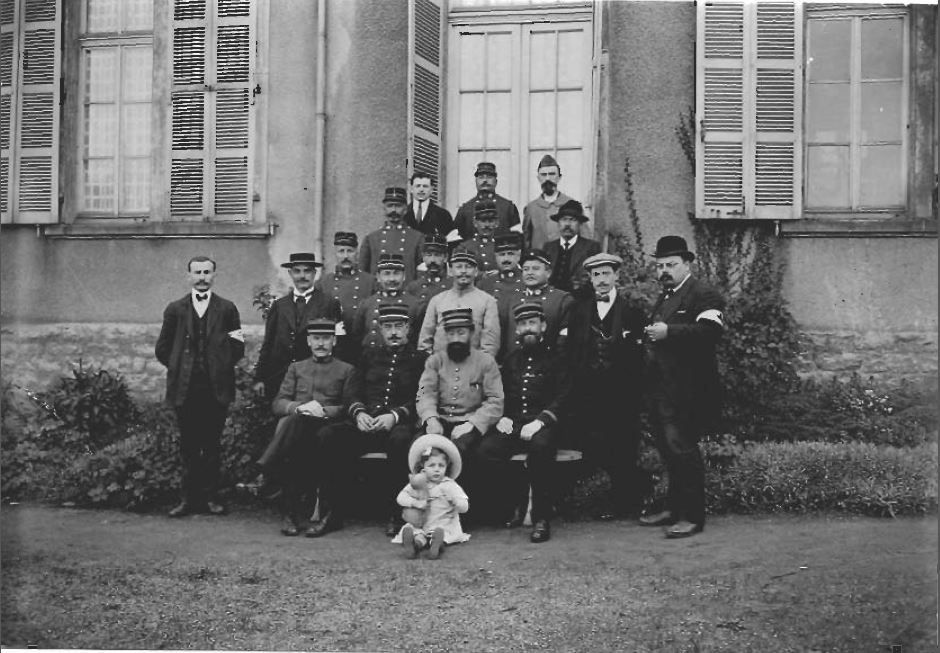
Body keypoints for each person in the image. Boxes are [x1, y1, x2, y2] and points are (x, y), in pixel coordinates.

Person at [639, 236, 725, 539]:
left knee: (683, 450)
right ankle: (673, 509)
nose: (664, 270)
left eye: (671, 265)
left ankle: (692, 517)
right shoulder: (666, 295)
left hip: (688, 390)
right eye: (660, 265)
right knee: (668, 451)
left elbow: (711, 332)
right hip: (662, 389)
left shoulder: (703, 294)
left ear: (687, 264)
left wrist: (668, 332)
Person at [155, 256, 245, 517]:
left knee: (213, 445)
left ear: (214, 275)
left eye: (207, 272)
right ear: (189, 276)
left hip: (216, 388)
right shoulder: (175, 309)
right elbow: (162, 348)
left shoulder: (227, 309)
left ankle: (212, 498)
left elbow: (238, 346)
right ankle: (188, 499)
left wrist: (220, 366)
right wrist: (180, 368)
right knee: (189, 445)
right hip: (185, 389)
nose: (202, 277)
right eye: (197, 272)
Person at [478, 302, 572, 543]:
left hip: (545, 424)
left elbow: (564, 397)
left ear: (543, 325)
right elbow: (502, 394)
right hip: (515, 422)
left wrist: (541, 421)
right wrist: (503, 417)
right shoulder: (512, 359)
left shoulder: (558, 358)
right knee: (486, 451)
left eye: (532, 323)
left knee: (541, 449)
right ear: (517, 329)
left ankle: (541, 517)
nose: (527, 328)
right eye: (522, 324)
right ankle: (515, 503)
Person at [564, 252, 647, 520]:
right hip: (589, 392)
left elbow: (641, 354)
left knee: (623, 445)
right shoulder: (578, 310)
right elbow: (572, 352)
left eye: (606, 273)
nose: (601, 279)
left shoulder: (633, 311)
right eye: (596, 274)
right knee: (594, 444)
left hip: (622, 393)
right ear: (590, 278)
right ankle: (592, 501)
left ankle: (627, 503)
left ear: (616, 276)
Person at [270, 319, 362, 537]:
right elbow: (278, 403)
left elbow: (348, 406)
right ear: (309, 341)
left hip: (328, 428)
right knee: (296, 422)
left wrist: (322, 410)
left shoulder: (346, 370)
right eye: (317, 339)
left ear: (334, 341)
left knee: (304, 431)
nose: (321, 344)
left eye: (326, 339)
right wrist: (300, 407)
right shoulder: (297, 368)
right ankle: (290, 514)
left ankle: (268, 467)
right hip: (300, 427)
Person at [415, 307, 504, 523]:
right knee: (420, 448)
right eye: (451, 333)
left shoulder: (485, 362)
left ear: (472, 333)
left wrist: (472, 424)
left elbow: (495, 401)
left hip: (469, 423)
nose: (456, 338)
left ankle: (460, 513)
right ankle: (421, 510)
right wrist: (431, 418)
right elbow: (425, 393)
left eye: (461, 333)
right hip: (440, 420)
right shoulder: (435, 361)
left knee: (461, 448)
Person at [349, 304, 429, 537]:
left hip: (398, 425)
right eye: (388, 327)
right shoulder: (368, 356)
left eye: (399, 327)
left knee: (401, 441)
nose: (393, 332)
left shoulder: (420, 359)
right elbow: (352, 391)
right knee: (330, 437)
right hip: (366, 424)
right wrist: (359, 413)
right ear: (381, 330)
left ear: (408, 329)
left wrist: (394, 416)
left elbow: (423, 397)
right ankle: (331, 510)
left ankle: (396, 514)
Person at [254, 252, 344, 399]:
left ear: (315, 273)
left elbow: (338, 344)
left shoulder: (329, 304)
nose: (302, 276)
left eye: (307, 271)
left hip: (316, 378)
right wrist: (260, 378)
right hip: (280, 378)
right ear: (290, 273)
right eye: (297, 271)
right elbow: (268, 343)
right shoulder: (279, 306)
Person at [394, 433, 470, 559]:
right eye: (431, 465)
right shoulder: (418, 483)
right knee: (416, 532)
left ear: (447, 467)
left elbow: (464, 506)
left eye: (441, 466)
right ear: (423, 468)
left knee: (440, 533)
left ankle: (436, 545)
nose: (437, 469)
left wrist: (458, 502)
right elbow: (400, 498)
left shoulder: (449, 485)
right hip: (421, 522)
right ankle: (414, 546)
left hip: (442, 523)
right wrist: (415, 503)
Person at [418, 248, 500, 357]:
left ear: (476, 271)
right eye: (459, 266)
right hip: (440, 368)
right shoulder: (437, 301)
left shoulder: (487, 301)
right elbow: (425, 339)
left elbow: (490, 344)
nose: (463, 271)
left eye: (468, 267)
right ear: (451, 271)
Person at [499, 248, 573, 357]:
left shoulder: (563, 299)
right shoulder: (511, 299)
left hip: (548, 364)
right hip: (514, 364)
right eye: (526, 269)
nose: (530, 273)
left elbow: (565, 339)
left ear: (548, 273)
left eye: (535, 268)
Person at [316, 232, 376, 361]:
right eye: (341, 251)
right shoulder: (324, 282)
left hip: (362, 345)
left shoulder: (370, 281)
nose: (345, 256)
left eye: (350, 251)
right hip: (335, 347)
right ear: (335, 254)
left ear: (357, 254)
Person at [353, 253, 422, 352]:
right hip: (372, 362)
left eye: (396, 273)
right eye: (387, 273)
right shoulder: (367, 304)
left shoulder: (415, 305)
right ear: (378, 276)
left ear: (404, 276)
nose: (392, 279)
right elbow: (357, 336)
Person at [359, 187, 424, 283]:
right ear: (384, 209)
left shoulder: (417, 238)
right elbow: (363, 274)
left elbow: (421, 273)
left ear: (405, 209)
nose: (393, 210)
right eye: (390, 206)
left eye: (398, 206)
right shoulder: (371, 238)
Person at [544, 200, 601, 297]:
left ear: (580, 224)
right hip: (551, 298)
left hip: (578, 299)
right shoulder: (548, 248)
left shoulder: (591, 247)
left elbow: (595, 278)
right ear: (558, 223)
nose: (567, 224)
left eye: (572, 220)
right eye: (564, 219)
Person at [453, 161, 522, 240]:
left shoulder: (508, 207)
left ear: (496, 182)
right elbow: (458, 239)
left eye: (489, 177)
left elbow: (516, 238)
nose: (485, 180)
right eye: (481, 177)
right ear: (476, 182)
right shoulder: (465, 209)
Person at [522, 154, 576, 251]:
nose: (547, 179)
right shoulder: (531, 208)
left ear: (559, 177)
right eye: (543, 175)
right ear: (538, 178)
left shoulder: (571, 205)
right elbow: (526, 240)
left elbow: (584, 240)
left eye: (552, 174)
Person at [404, 172, 460, 244]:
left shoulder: (443, 215)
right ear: (411, 189)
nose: (421, 189)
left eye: (425, 186)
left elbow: (451, 241)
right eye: (418, 186)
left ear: (432, 189)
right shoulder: (403, 213)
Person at [405, 233, 451, 319]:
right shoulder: (414, 287)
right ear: (423, 257)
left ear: (445, 257)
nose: (432, 260)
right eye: (429, 255)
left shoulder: (452, 285)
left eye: (437, 255)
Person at [476, 232, 525, 300]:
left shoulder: (528, 281)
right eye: (502, 255)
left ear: (519, 255)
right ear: (495, 257)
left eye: (510, 254)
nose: (506, 259)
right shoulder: (485, 284)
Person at [460, 198, 501, 273]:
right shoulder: (465, 247)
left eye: (491, 221)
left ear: (497, 223)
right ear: (475, 222)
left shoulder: (502, 247)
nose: (487, 225)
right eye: (483, 221)